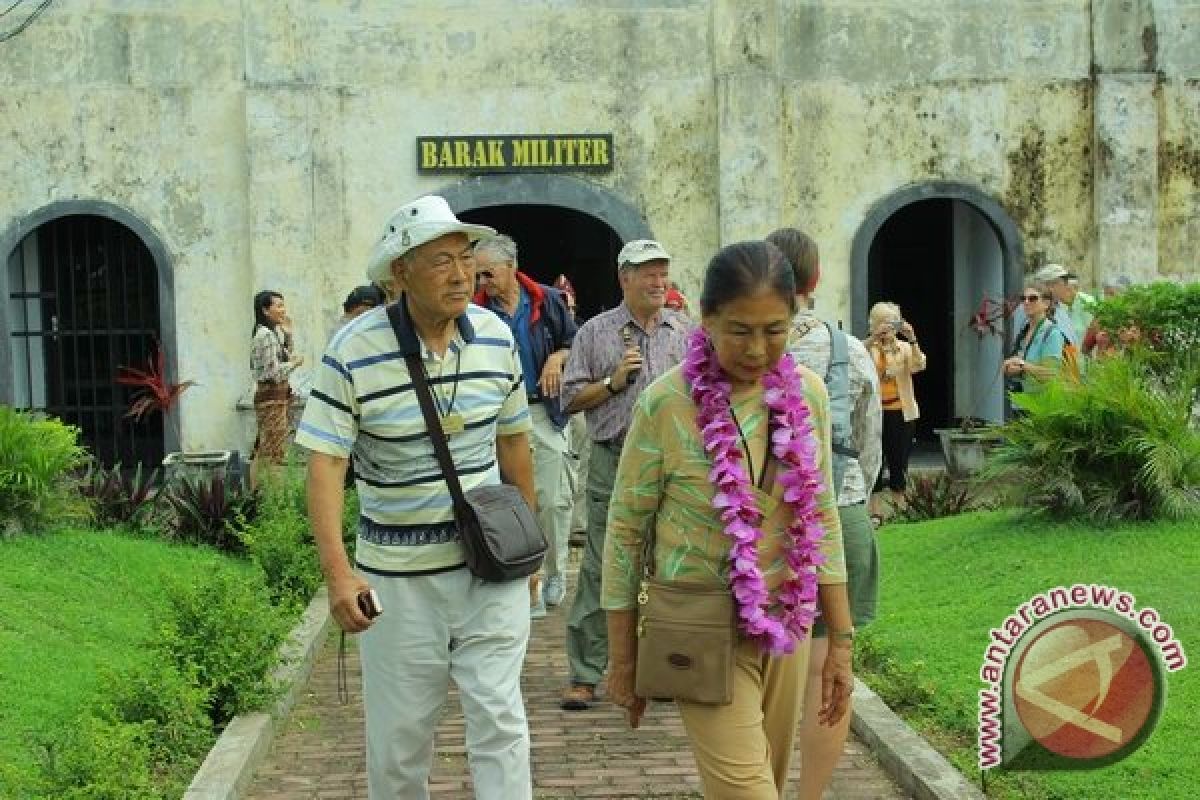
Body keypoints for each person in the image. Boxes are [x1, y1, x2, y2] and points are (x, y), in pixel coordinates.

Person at [296, 195, 538, 800]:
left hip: (489, 570)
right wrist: (338, 575)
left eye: (464, 258)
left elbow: (514, 446)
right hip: (399, 582)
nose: (460, 275)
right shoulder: (353, 350)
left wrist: (531, 548)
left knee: (501, 723)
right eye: (440, 261)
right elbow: (325, 464)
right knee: (400, 743)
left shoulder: (495, 338)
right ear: (399, 272)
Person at [602, 240, 853, 798]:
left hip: (784, 624)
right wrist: (622, 657)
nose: (758, 349)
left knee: (769, 779)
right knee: (749, 792)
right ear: (706, 318)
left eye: (775, 329)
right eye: (740, 330)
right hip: (697, 626)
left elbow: (823, 513)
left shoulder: (807, 394)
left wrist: (840, 641)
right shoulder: (667, 404)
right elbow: (624, 531)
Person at [767, 228, 881, 800]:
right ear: (813, 282)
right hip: (841, 509)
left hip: (760, 528)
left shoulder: (742, 343)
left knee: (756, 673)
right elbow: (868, 441)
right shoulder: (847, 349)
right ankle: (808, 795)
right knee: (828, 674)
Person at [557, 238, 690, 711]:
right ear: (624, 278)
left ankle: (664, 670)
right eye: (647, 273)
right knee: (602, 563)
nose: (658, 281)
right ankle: (585, 672)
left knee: (671, 565)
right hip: (615, 458)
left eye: (662, 272)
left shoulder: (684, 332)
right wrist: (612, 383)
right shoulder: (596, 332)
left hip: (674, 465)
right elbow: (568, 398)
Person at [473, 235, 578, 618]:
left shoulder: (546, 300)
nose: (482, 282)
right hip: (497, 419)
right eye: (477, 274)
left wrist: (556, 359)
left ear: (511, 267)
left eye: (489, 273)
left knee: (551, 500)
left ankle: (555, 572)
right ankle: (523, 580)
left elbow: (572, 340)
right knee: (507, 502)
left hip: (540, 410)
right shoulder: (474, 311)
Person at [865, 302, 925, 502]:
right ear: (873, 324)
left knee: (899, 464)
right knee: (873, 463)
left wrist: (912, 338)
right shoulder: (866, 348)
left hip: (901, 412)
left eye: (891, 323)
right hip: (874, 413)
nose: (887, 328)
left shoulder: (905, 348)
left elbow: (919, 366)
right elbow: (852, 358)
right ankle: (875, 514)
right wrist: (873, 338)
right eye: (882, 322)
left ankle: (900, 511)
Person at [250, 290, 304, 485]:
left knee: (263, 448)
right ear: (265, 310)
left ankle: (255, 494)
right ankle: (272, 495)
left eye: (283, 305)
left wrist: (288, 336)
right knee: (274, 451)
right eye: (278, 305)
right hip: (271, 400)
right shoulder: (265, 335)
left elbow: (282, 358)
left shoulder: (270, 334)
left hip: (274, 399)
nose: (283, 310)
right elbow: (272, 373)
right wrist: (295, 364)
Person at [1003, 285, 1070, 394]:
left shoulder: (1052, 333)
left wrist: (1022, 365)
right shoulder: (1024, 331)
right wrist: (1009, 368)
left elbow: (1050, 374)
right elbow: (1017, 365)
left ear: (1046, 304)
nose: (1026, 302)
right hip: (1021, 401)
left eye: (1033, 298)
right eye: (1023, 298)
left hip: (1041, 406)